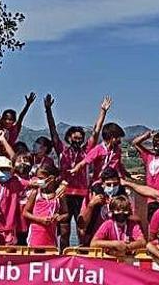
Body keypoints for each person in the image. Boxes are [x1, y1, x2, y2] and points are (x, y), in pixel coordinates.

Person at [45, 94, 110, 247]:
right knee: (65, 230)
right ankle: (63, 255)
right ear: (69, 138)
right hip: (65, 194)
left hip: (82, 194)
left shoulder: (87, 150)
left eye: (80, 138)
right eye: (75, 138)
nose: (78, 140)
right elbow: (53, 131)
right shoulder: (62, 150)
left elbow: (96, 131)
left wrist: (103, 111)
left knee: (82, 229)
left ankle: (84, 256)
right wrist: (48, 110)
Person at [78, 168, 159, 244]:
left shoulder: (123, 198)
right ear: (103, 184)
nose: (112, 187)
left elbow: (136, 219)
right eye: (109, 184)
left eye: (115, 184)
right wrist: (91, 206)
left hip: (119, 239)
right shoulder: (93, 197)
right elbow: (82, 225)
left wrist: (119, 211)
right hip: (97, 239)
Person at [23, 164, 68, 248]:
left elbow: (65, 214)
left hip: (51, 236)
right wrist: (40, 219)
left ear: (51, 178)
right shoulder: (35, 193)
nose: (37, 181)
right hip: (35, 235)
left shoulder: (59, 195)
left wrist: (59, 217)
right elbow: (25, 212)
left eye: (40, 178)